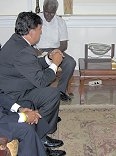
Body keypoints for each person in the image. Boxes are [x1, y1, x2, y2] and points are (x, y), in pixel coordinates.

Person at [0, 12, 66, 156]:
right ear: (31, 32)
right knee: (52, 94)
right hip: (13, 96)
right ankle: (40, 138)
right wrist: (55, 64)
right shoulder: (23, 50)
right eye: (40, 30)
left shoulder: (17, 41)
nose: (41, 33)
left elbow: (32, 65)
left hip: (17, 87)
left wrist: (48, 59)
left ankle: (42, 131)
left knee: (52, 94)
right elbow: (42, 81)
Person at [36, 0, 76, 101]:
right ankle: (39, 92)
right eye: (46, 12)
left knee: (70, 63)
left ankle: (60, 91)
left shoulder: (60, 22)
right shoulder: (35, 19)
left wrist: (55, 52)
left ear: (56, 11)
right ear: (43, 9)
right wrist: (35, 50)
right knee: (33, 63)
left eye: (52, 13)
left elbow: (64, 44)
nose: (49, 15)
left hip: (55, 50)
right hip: (38, 51)